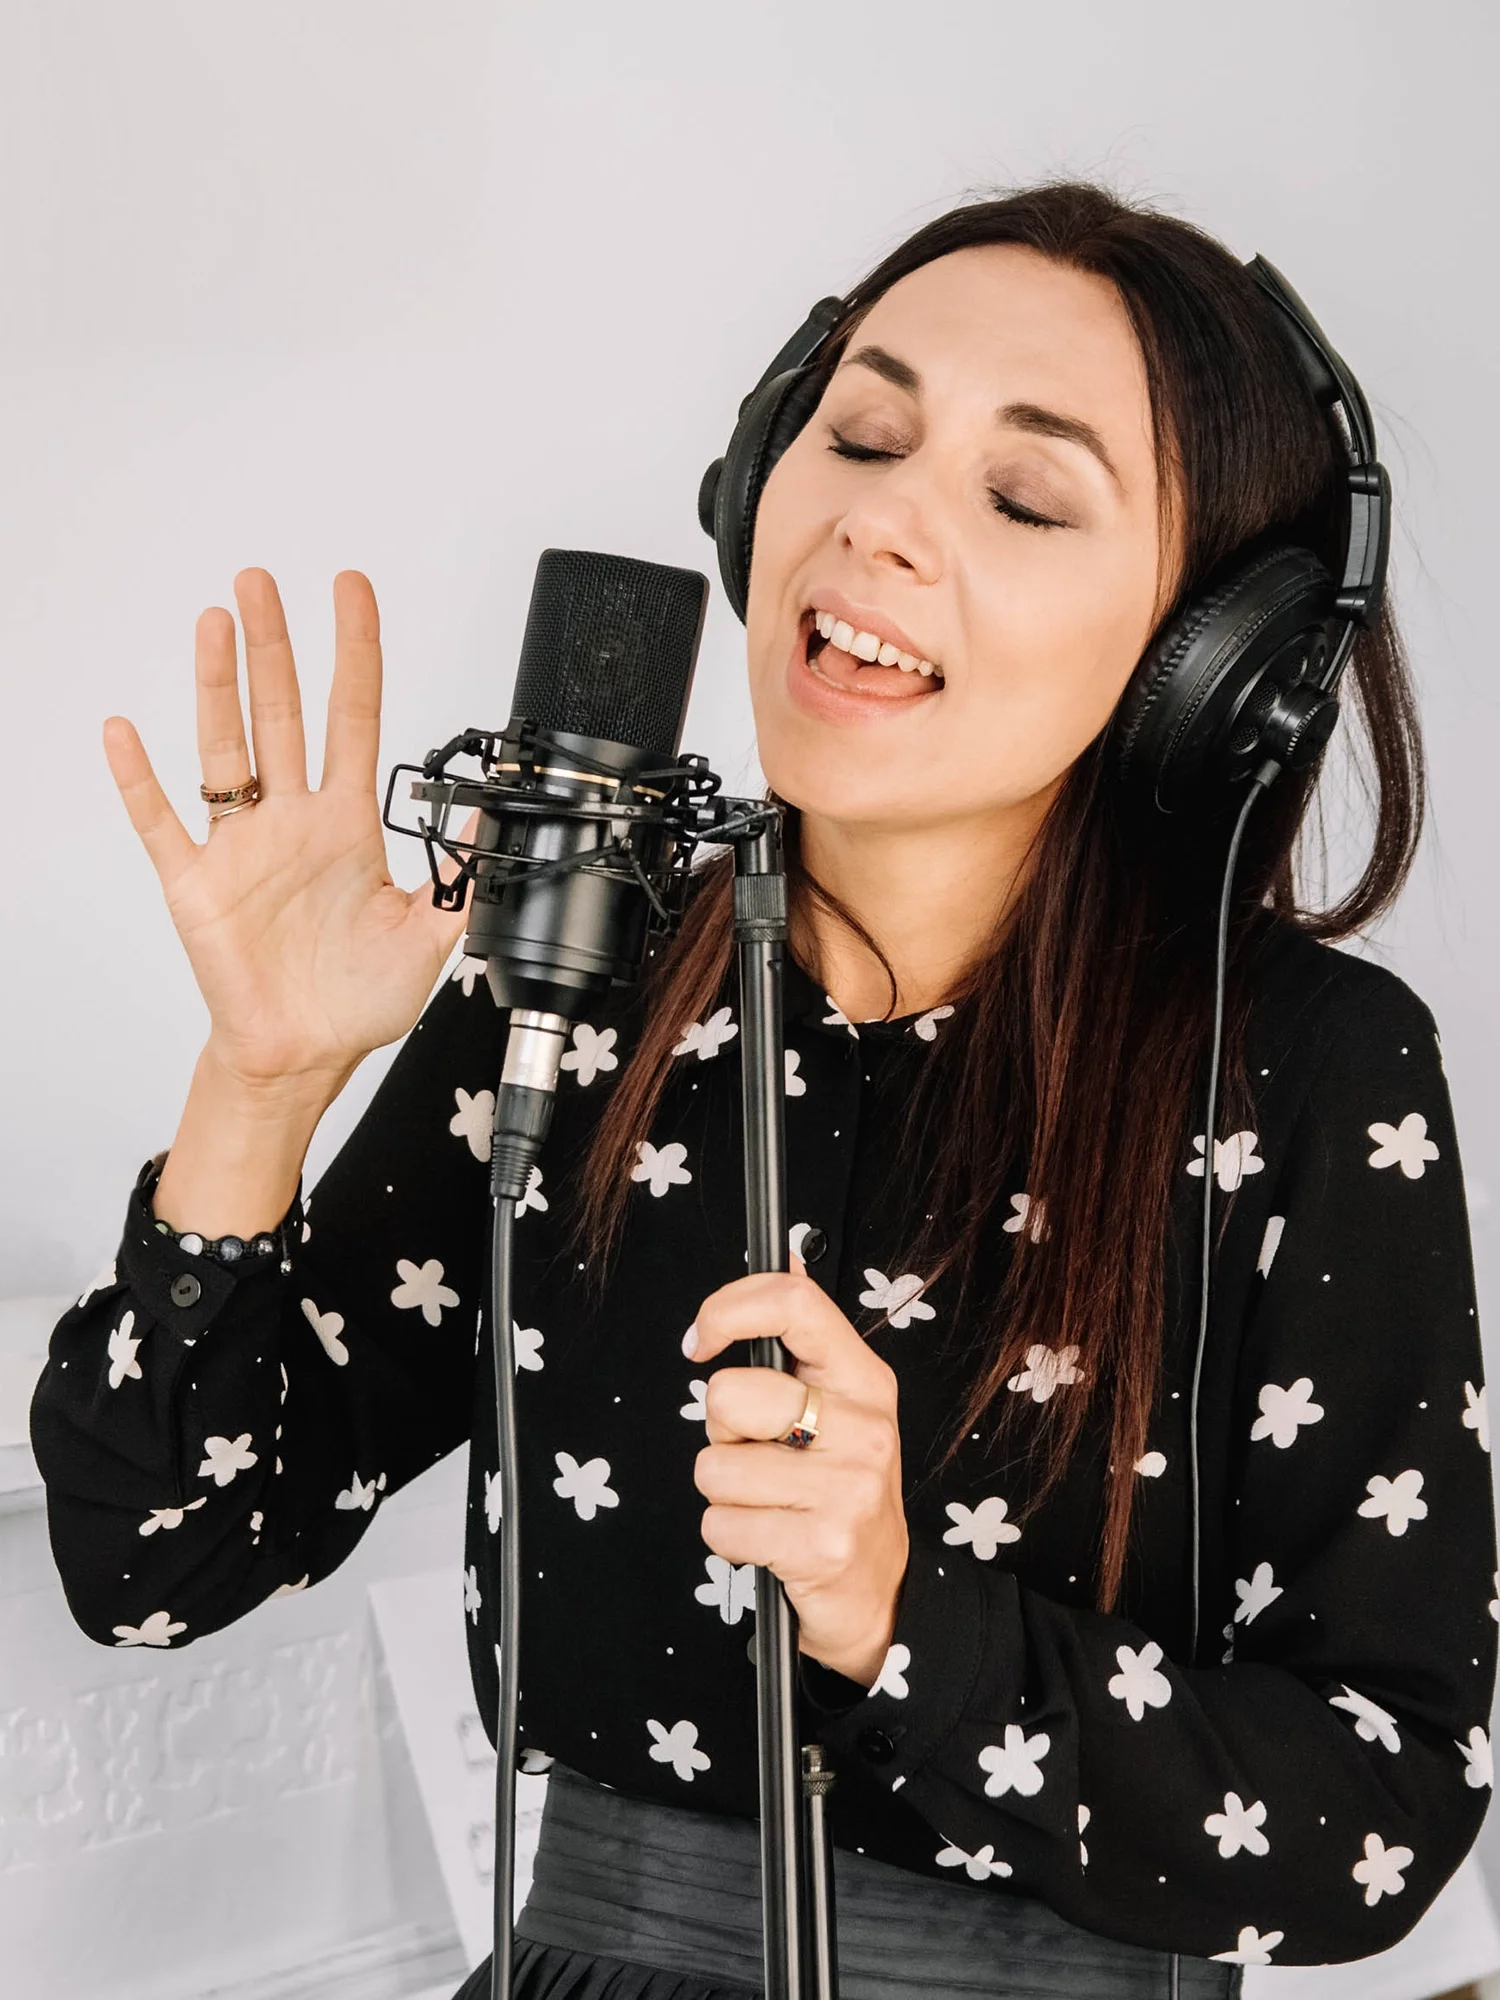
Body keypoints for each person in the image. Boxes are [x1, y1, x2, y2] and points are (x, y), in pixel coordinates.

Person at [30, 182, 1494, 2000]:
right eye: (860, 437)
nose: (880, 520)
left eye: (1026, 498)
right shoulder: (582, 968)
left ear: (1211, 660)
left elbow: (1375, 1817)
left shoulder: (1310, 1067)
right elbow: (154, 1563)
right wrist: (261, 1085)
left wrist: (905, 1618)